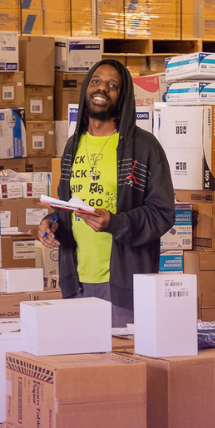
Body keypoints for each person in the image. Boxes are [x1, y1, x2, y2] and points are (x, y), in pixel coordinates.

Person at [37, 59, 175, 327]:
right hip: (76, 282)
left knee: (120, 365)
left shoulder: (143, 147)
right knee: (80, 364)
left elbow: (162, 213)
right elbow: (66, 207)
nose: (102, 89)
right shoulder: (72, 145)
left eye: (113, 85)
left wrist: (115, 222)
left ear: (122, 97)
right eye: (96, 81)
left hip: (121, 286)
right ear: (86, 88)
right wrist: (51, 223)